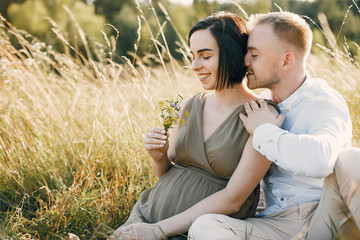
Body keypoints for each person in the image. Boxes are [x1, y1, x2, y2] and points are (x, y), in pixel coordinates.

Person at [188, 11, 360, 239]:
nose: (245, 61)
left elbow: (322, 160)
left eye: (254, 55)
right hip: (273, 223)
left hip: (323, 217)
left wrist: (265, 131)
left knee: (352, 159)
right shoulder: (260, 107)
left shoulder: (323, 101)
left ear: (286, 60)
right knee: (205, 226)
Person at [109, 12, 280, 240]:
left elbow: (233, 199)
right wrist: (158, 156)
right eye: (192, 56)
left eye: (205, 56)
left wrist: (157, 231)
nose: (194, 65)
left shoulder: (262, 115)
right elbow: (168, 175)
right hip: (148, 216)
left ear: (232, 55)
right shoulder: (191, 104)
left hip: (196, 231)